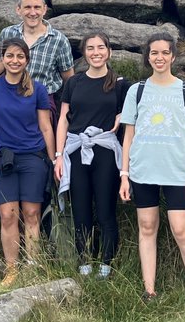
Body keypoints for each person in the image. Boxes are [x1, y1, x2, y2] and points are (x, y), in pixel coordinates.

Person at [119, 33, 185, 307]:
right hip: (143, 169)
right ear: (147, 57)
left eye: (164, 53)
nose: (159, 57)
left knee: (181, 229)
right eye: (154, 53)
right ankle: (149, 290)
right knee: (147, 227)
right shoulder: (137, 90)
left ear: (173, 56)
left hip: (177, 171)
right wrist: (124, 173)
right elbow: (128, 134)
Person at [0, 38, 56, 287]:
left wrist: (53, 160)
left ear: (27, 60)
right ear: (3, 58)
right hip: (3, 158)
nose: (14, 61)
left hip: (33, 157)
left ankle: (33, 266)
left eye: (20, 56)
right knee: (8, 215)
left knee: (31, 214)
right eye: (10, 56)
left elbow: (46, 127)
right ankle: (11, 269)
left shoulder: (38, 89)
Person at [54, 32, 129, 279]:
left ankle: (106, 266)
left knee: (106, 210)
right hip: (76, 151)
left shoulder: (119, 83)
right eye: (90, 48)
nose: (96, 52)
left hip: (105, 153)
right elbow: (63, 121)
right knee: (81, 210)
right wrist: (58, 155)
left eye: (100, 47)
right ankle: (85, 264)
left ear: (109, 51)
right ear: (84, 53)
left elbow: (135, 111)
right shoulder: (74, 82)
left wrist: (121, 116)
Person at [0, 0, 74, 97]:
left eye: (37, 7)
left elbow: (69, 78)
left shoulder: (59, 40)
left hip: (42, 99)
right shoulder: (7, 34)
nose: (32, 13)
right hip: (9, 96)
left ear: (44, 9)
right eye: (27, 7)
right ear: (18, 10)